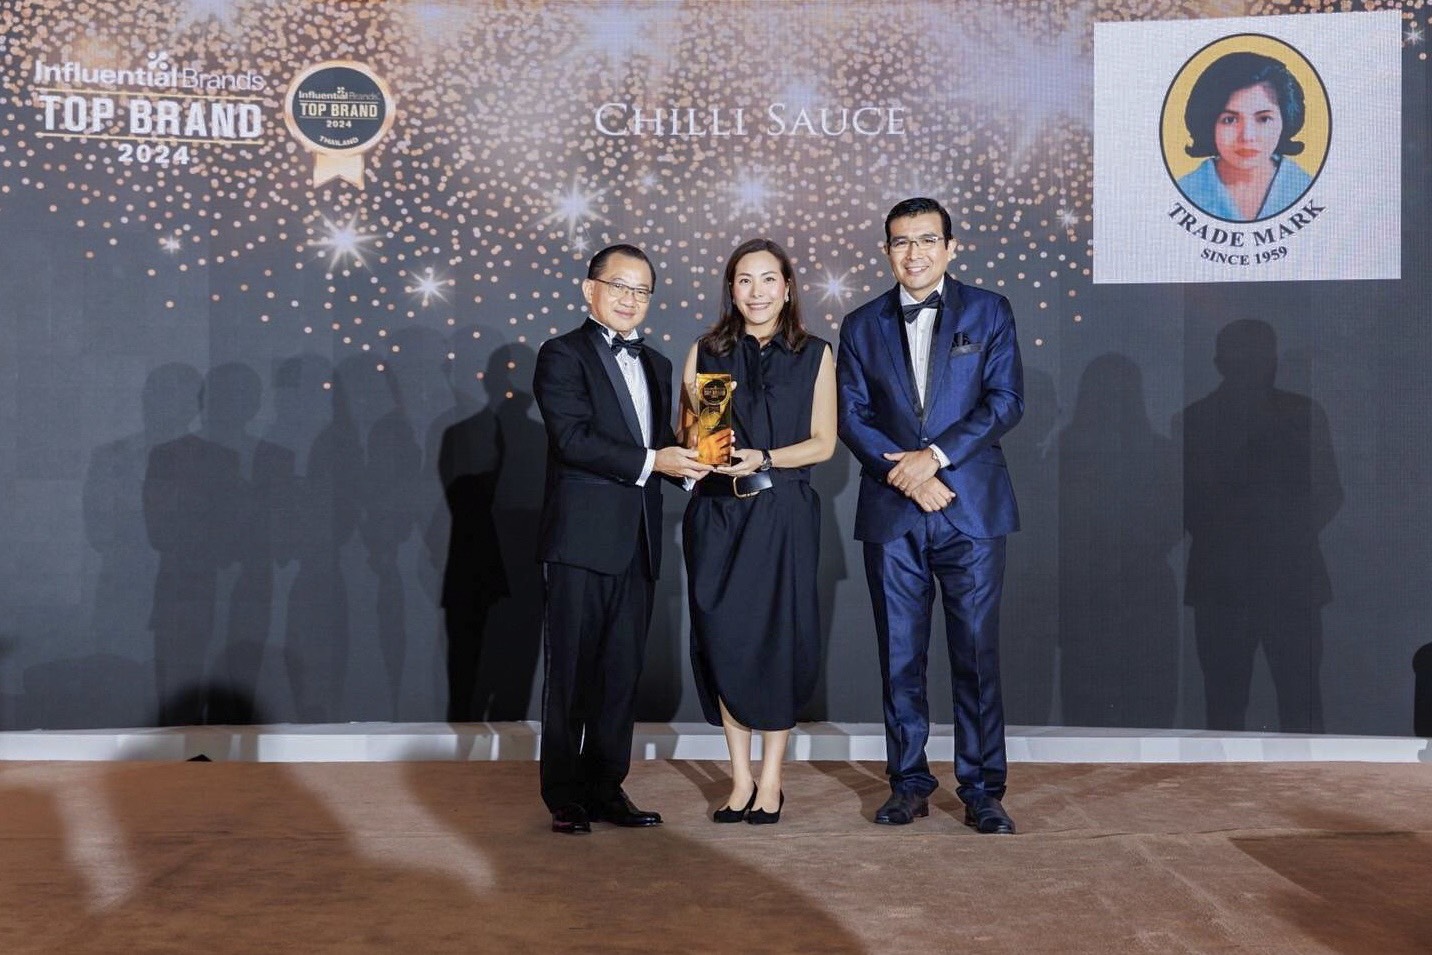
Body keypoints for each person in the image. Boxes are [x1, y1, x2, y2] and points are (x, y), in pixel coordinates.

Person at [837, 197, 1024, 834]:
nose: (913, 253)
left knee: (976, 656)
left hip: (971, 510)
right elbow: (851, 416)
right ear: (886, 251)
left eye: (925, 240)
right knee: (898, 656)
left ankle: (983, 790)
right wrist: (908, 476)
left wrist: (934, 459)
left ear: (949, 247)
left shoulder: (989, 311)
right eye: (900, 242)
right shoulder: (860, 324)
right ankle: (908, 783)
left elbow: (1005, 401)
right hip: (894, 512)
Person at [533, 243, 712, 834]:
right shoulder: (562, 354)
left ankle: (607, 787)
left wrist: (695, 462)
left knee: (620, 674)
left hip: (639, 540)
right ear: (591, 290)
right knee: (571, 674)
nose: (630, 299)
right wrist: (655, 461)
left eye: (641, 291)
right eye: (619, 286)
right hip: (580, 539)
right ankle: (564, 796)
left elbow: (661, 444)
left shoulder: (657, 363)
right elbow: (572, 439)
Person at [681, 238, 837, 825]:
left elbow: (823, 443)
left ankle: (771, 779)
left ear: (788, 287)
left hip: (783, 513)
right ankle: (740, 778)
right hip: (718, 516)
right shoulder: (707, 350)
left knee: (777, 641)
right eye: (744, 280)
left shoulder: (816, 353)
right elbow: (698, 437)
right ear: (731, 288)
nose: (757, 292)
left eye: (768, 279)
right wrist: (701, 441)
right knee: (723, 640)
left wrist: (765, 457)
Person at [1176, 51, 1313, 222]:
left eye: (1263, 119)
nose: (1247, 136)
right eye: (1230, 120)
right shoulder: (1184, 191)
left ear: (1286, 119)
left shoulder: (1308, 188)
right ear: (1208, 123)